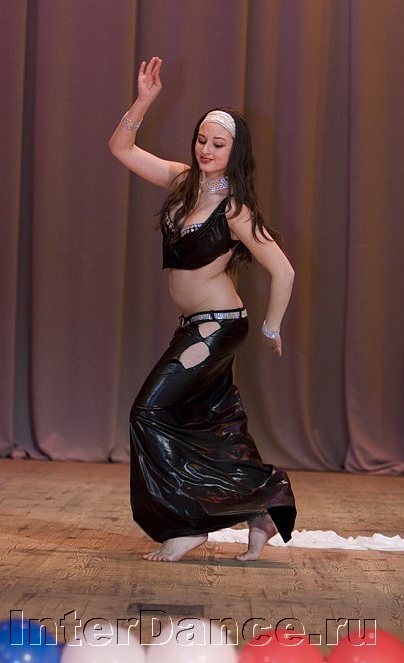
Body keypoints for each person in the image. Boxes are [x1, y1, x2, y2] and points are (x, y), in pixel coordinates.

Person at [109, 56, 296, 562]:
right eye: (201, 140)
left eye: (218, 144)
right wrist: (144, 101)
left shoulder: (234, 209)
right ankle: (263, 508)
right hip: (194, 326)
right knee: (216, 422)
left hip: (216, 328)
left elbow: (283, 271)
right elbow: (121, 148)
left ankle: (188, 524)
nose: (206, 150)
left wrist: (271, 327)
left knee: (148, 412)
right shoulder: (182, 181)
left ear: (235, 152)